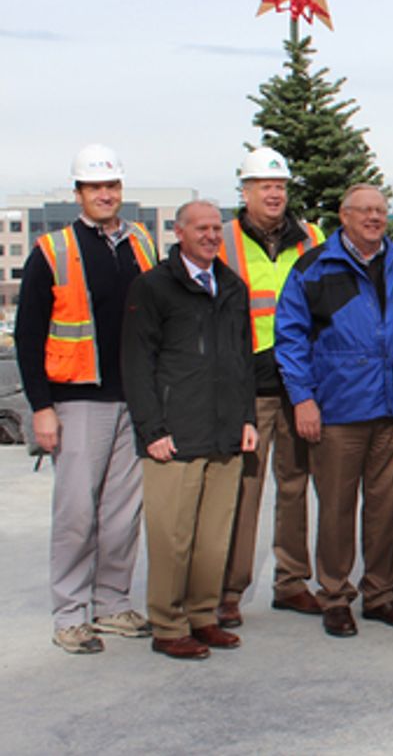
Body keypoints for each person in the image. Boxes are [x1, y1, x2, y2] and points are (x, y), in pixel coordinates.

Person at [14, 145, 157, 655]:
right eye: (96, 188)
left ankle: (112, 602)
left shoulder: (139, 243)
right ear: (79, 193)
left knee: (123, 512)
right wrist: (42, 408)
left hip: (132, 400)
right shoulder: (51, 251)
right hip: (76, 402)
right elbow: (28, 335)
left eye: (112, 187)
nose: (106, 195)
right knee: (77, 512)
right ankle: (71, 612)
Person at [275, 184, 393, 638]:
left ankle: (380, 593)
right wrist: (303, 398)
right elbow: (291, 337)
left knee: (384, 509)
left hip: (391, 410)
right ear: (344, 216)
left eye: (380, 211)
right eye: (365, 212)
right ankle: (335, 595)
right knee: (336, 507)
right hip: (338, 409)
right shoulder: (314, 268)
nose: (374, 218)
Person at [121, 200, 258, 659]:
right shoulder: (154, 288)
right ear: (178, 232)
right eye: (199, 228)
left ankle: (203, 615)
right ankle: (167, 623)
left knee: (213, 538)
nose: (210, 235)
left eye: (215, 228)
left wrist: (247, 419)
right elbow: (138, 364)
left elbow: (243, 361)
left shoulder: (232, 287)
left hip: (224, 433)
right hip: (173, 436)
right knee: (172, 538)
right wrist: (151, 429)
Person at [216, 146, 326, 629]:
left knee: (296, 486)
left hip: (301, 383)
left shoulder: (313, 239)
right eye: (264, 186)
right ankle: (228, 589)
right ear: (245, 191)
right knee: (245, 489)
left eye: (280, 186)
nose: (275, 193)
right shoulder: (223, 241)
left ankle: (292, 582)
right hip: (249, 383)